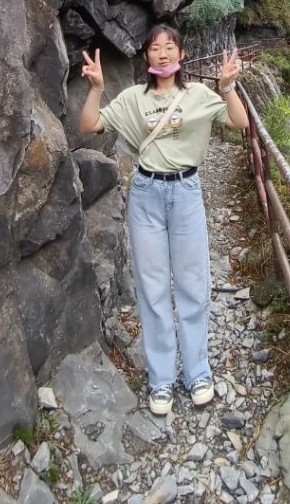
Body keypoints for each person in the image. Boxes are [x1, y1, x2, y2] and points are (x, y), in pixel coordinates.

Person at [79, 24, 249, 416]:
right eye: (155, 48)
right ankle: (160, 379)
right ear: (146, 57)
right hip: (146, 194)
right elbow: (88, 126)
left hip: (186, 192)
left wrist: (227, 87)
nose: (163, 53)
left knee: (193, 284)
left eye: (170, 47)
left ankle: (197, 373)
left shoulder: (199, 95)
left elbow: (239, 122)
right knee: (153, 288)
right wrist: (96, 89)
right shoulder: (131, 100)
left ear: (182, 55)